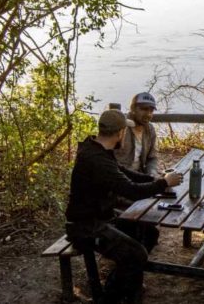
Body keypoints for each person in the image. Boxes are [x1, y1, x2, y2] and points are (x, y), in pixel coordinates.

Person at [65, 109, 183, 304]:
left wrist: (157, 179)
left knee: (149, 232)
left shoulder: (97, 149)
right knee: (136, 254)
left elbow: (124, 173)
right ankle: (109, 297)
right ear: (120, 132)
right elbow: (131, 190)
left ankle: (128, 286)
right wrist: (163, 184)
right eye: (124, 131)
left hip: (102, 217)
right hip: (85, 227)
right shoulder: (96, 160)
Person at [115, 92, 160, 176]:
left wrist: (152, 173)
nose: (148, 114)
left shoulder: (150, 129)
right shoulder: (120, 126)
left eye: (151, 110)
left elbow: (152, 157)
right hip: (119, 177)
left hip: (139, 175)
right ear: (133, 108)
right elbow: (106, 156)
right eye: (144, 109)